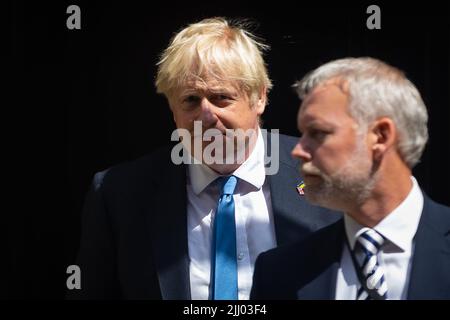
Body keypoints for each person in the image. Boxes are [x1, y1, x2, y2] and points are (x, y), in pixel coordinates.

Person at [68, 17, 340, 300]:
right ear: (173, 110)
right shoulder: (119, 194)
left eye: (221, 97)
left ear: (259, 98)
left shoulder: (324, 170)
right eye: (190, 100)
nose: (206, 115)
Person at [251, 57, 450, 300]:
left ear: (380, 136)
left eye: (318, 133)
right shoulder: (278, 272)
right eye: (303, 134)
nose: (298, 150)